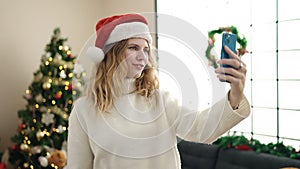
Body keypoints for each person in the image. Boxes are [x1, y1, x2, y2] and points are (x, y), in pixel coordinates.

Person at [67, 13, 250, 169]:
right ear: (112, 53)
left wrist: (236, 93)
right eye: (133, 48)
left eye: (146, 49)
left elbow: (202, 129)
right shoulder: (83, 110)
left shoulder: (160, 99)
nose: (142, 57)